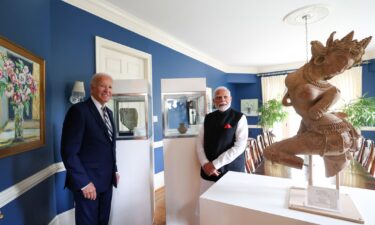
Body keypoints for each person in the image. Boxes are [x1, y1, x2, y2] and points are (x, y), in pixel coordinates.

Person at [264, 31, 372, 177]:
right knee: (273, 151)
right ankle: (306, 169)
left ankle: (305, 169)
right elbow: (292, 100)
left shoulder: (333, 91)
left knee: (271, 151)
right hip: (316, 127)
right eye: (340, 61)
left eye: (346, 67)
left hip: (330, 134)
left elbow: (314, 113)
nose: (341, 69)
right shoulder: (304, 72)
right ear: (324, 56)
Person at [61, 73, 119, 225]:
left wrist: (115, 169)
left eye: (110, 86)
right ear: (92, 88)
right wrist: (84, 183)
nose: (107, 90)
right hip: (88, 184)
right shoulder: (79, 111)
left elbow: (109, 147)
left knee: (103, 221)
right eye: (103, 86)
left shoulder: (109, 113)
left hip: (107, 181)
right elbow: (69, 153)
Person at [196, 86, 248, 193]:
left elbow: (240, 146)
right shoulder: (208, 118)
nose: (222, 100)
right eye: (218, 97)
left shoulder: (239, 117)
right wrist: (205, 164)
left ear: (230, 98)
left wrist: (215, 164)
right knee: (206, 202)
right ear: (214, 101)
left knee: (231, 204)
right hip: (208, 171)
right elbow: (199, 144)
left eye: (225, 97)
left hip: (232, 170)